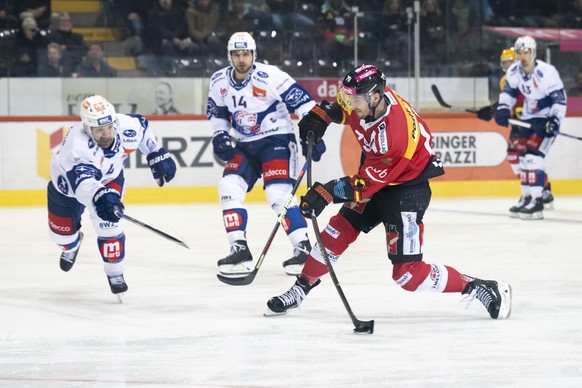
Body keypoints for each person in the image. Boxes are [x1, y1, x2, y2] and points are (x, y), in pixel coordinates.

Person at [265, 64, 512, 320]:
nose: (350, 103)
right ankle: (301, 288)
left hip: (406, 189)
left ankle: (479, 286)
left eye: (355, 99)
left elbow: (364, 185)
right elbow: (338, 106)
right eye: (348, 97)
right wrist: (322, 116)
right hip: (376, 175)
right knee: (335, 233)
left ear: (374, 97)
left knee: (407, 275)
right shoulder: (361, 96)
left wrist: (325, 193)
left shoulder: (394, 136)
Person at [207, 31, 325, 276]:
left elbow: (304, 104)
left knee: (277, 193)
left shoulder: (270, 76)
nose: (241, 59)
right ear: (229, 56)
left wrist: (313, 133)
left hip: (276, 140)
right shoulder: (219, 81)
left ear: (253, 54)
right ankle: (238, 248)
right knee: (228, 187)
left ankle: (302, 248)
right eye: (237, 54)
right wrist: (220, 134)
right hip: (245, 144)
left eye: (246, 53)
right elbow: (216, 112)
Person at [47, 95, 177, 296]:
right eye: (99, 130)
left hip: (110, 179)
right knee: (61, 236)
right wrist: (100, 194)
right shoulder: (77, 146)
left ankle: (115, 272)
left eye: (109, 127)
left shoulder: (126, 126)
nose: (106, 134)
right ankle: (72, 244)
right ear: (87, 128)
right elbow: (83, 184)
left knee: (109, 224)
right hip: (69, 188)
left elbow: (142, 127)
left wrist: (154, 152)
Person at [494, 36, 566, 220]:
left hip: (545, 121)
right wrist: (503, 108)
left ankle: (538, 200)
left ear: (533, 53)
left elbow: (559, 98)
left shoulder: (547, 72)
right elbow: (509, 93)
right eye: (519, 52)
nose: (522, 56)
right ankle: (527, 197)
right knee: (522, 158)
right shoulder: (514, 72)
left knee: (534, 157)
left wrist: (555, 120)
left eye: (526, 52)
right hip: (527, 119)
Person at [477, 47, 554, 215]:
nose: (508, 65)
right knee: (514, 157)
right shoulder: (506, 79)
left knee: (530, 158)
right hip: (517, 124)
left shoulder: (528, 76)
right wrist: (493, 109)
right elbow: (508, 100)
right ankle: (528, 194)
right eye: (505, 63)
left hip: (529, 122)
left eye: (511, 61)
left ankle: (541, 192)